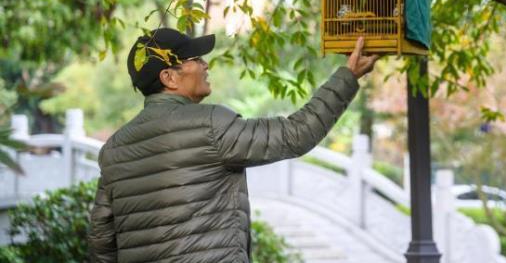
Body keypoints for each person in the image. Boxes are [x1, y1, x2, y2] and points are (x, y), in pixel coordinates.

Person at [88, 28, 379, 262]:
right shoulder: (211, 125)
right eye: (195, 59)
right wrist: (348, 76)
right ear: (168, 77)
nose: (205, 64)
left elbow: (101, 242)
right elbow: (295, 134)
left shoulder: (114, 150)